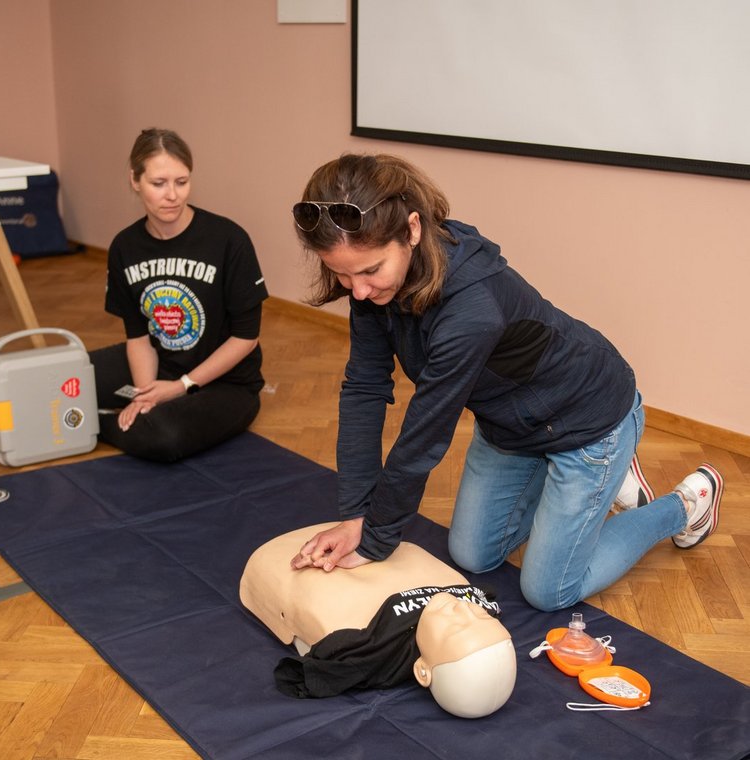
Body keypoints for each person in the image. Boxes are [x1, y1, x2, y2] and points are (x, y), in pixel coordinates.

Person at [287, 153, 724, 612]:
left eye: (370, 271)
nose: (357, 291)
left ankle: (685, 505)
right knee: (472, 556)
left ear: (412, 229)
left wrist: (375, 537)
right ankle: (599, 489)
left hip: (587, 422)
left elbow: (424, 433)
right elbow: (364, 390)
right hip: (512, 425)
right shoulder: (373, 286)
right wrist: (357, 513)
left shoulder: (472, 309)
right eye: (341, 274)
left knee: (549, 591)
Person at [90, 128, 268, 462]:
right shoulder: (124, 247)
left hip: (227, 384)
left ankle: (92, 423)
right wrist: (145, 394)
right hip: (161, 364)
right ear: (135, 180)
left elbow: (246, 338)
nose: (172, 195)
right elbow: (138, 337)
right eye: (159, 183)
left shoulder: (230, 240)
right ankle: (127, 418)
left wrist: (180, 387)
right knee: (66, 380)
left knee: (163, 436)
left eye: (182, 182)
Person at [240, 524, 517, 718]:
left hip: (307, 566)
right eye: (482, 616)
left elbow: (312, 670)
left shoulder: (367, 648)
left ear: (422, 671)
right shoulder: (469, 599)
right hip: (373, 541)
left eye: (456, 627)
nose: (464, 609)